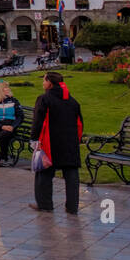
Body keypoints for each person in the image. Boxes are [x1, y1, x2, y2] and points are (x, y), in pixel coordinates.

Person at [30, 72, 83, 214]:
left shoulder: (44, 99)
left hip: (50, 142)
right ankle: (72, 206)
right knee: (71, 174)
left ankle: (45, 204)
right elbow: (79, 123)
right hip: (70, 143)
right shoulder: (73, 101)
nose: (42, 83)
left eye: (44, 80)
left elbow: (37, 122)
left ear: (50, 83)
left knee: (44, 173)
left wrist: (34, 140)